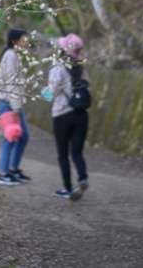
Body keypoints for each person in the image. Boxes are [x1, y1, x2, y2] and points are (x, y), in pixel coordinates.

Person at [45, 33, 89, 200]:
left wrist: (44, 93)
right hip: (81, 114)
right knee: (77, 152)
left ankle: (67, 188)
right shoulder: (81, 68)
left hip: (62, 114)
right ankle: (83, 178)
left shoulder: (58, 66)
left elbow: (52, 92)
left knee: (63, 153)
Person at [0, 28, 31, 185]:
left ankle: (13, 169)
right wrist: (15, 106)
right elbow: (10, 82)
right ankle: (3, 173)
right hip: (7, 101)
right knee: (10, 136)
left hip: (11, 101)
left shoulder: (13, 55)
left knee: (23, 136)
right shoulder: (10, 56)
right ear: (15, 40)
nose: (26, 41)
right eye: (23, 39)